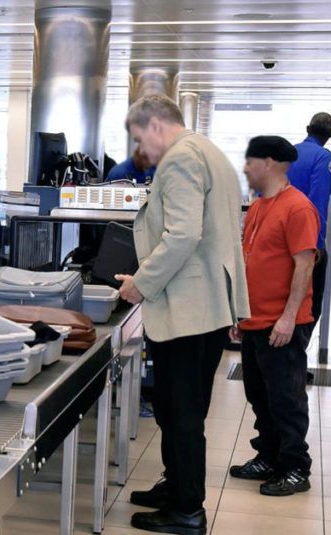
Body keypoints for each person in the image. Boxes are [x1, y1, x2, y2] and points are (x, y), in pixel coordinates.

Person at [114, 94, 249, 535]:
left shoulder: (178, 159)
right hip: (207, 304)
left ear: (155, 125)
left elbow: (182, 235)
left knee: (183, 413)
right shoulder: (210, 152)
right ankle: (176, 487)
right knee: (175, 409)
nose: (143, 152)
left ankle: (187, 511)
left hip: (189, 311)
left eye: (140, 139)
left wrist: (141, 283)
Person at [232, 136, 317, 496]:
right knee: (259, 395)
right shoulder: (258, 206)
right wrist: (239, 313)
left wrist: (287, 317)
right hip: (254, 320)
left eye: (250, 161)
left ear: (270, 163)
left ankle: (296, 467)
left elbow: (304, 265)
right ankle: (268, 456)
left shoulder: (297, 207)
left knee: (286, 398)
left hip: (281, 323)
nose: (246, 168)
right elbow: (249, 262)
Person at [286, 112, 331, 322]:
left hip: (279, 239)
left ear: (307, 129)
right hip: (304, 242)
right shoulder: (323, 158)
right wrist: (317, 242)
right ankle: (293, 350)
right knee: (310, 307)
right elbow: (317, 201)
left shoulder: (287, 153)